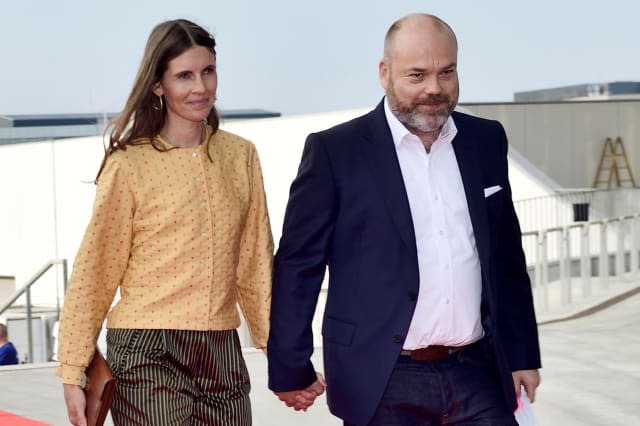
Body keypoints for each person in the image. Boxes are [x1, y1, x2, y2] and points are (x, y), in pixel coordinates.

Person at [267, 13, 541, 426]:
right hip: (382, 379)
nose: (434, 88)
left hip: (479, 374)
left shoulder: (485, 141)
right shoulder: (335, 152)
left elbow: (505, 257)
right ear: (384, 73)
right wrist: (289, 366)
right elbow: (298, 266)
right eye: (417, 75)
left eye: (446, 72)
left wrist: (522, 354)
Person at [56, 19, 273, 425]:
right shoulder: (128, 165)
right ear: (158, 85)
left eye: (208, 71)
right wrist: (72, 368)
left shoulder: (241, 156)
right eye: (184, 76)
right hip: (146, 348)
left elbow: (255, 262)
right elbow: (95, 269)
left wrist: (277, 348)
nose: (201, 87)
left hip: (221, 348)